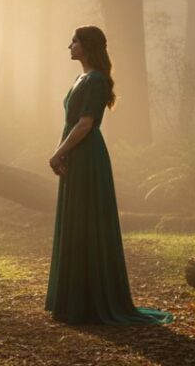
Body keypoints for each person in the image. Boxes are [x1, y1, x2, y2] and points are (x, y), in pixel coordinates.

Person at [45, 25, 172, 325]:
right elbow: (74, 124)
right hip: (77, 153)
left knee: (87, 222)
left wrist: (58, 152)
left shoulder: (96, 80)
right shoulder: (82, 78)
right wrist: (62, 150)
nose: (69, 46)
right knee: (77, 221)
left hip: (88, 156)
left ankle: (90, 302)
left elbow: (85, 124)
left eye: (74, 41)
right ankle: (77, 300)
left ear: (88, 46)